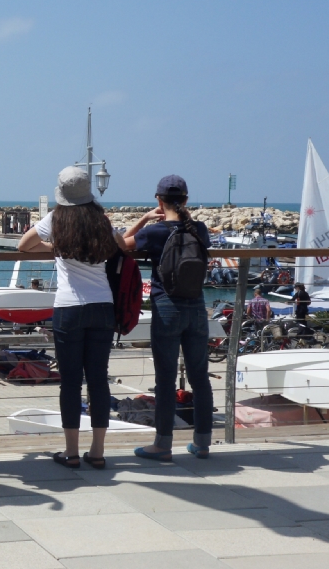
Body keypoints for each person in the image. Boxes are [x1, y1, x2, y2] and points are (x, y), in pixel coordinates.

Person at [18, 166, 118, 469]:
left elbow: (24, 245)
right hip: (102, 306)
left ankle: (71, 452)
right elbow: (118, 245)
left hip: (69, 308)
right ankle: (97, 451)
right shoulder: (100, 219)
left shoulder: (57, 218)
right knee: (98, 380)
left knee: (71, 383)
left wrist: (56, 248)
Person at [121, 175, 213, 461]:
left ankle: (162, 445)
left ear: (158, 201)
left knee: (165, 379)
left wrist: (144, 220)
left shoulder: (155, 231)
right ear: (186, 199)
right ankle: (202, 443)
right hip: (197, 307)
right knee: (200, 378)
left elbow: (120, 244)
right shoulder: (200, 229)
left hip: (167, 308)